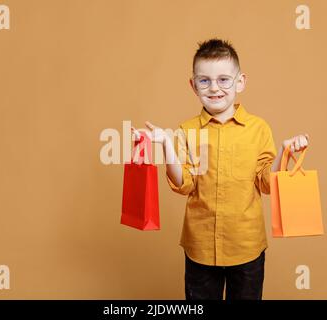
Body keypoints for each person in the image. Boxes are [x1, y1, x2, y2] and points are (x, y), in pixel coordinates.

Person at [131, 38, 309, 300]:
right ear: (193, 85)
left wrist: (285, 152)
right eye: (205, 81)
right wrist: (167, 144)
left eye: (224, 79)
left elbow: (266, 183)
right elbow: (184, 184)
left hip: (247, 248)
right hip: (200, 249)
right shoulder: (186, 131)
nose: (214, 88)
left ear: (240, 82)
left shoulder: (259, 129)